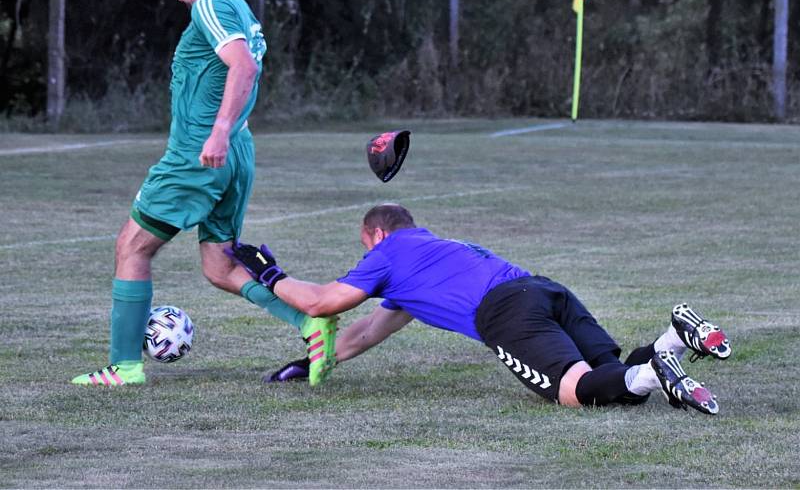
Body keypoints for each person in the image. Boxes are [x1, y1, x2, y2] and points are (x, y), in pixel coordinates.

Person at [71, 0, 336, 387]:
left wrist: (214, 132)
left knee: (132, 247)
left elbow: (244, 68)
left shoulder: (210, 5)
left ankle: (124, 366)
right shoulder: (242, 10)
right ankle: (309, 323)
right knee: (220, 267)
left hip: (200, 154)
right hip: (237, 152)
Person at [230, 203, 731, 414]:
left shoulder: (387, 254)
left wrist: (268, 273)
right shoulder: (444, 248)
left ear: (378, 235)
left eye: (367, 245)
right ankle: (671, 340)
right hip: (543, 288)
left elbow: (321, 301)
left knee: (572, 392)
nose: (367, 254)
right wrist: (311, 361)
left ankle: (657, 372)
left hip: (504, 313)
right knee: (615, 382)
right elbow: (363, 333)